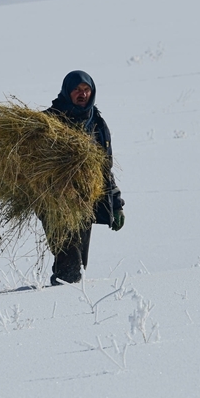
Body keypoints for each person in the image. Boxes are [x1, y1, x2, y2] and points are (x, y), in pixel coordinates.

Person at [43, 70, 124, 285]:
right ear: (67, 92)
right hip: (54, 200)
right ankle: (62, 299)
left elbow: (104, 168)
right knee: (70, 263)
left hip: (85, 199)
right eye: (77, 90)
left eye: (87, 90)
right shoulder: (49, 121)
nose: (83, 94)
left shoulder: (97, 124)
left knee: (78, 263)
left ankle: (60, 299)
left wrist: (116, 204)